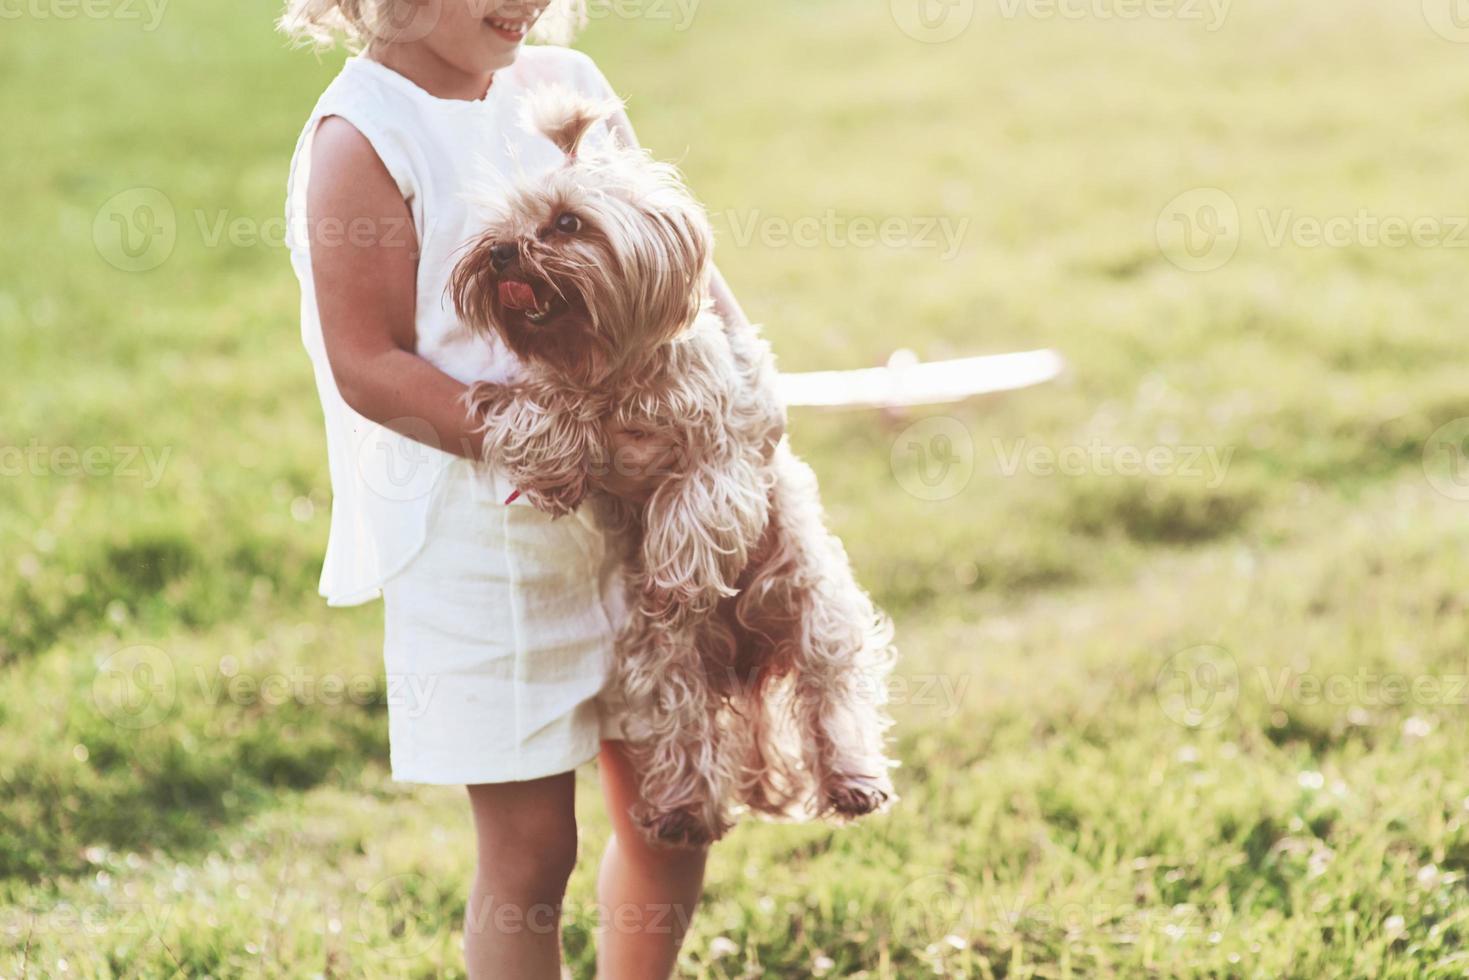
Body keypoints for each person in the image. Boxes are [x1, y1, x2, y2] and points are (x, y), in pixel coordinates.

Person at [279, 1, 755, 974]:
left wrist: (746, 373)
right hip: (483, 548)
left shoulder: (564, 89)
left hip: (638, 527)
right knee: (534, 850)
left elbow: (676, 263)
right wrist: (540, 438)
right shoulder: (363, 136)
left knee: (672, 814)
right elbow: (367, 362)